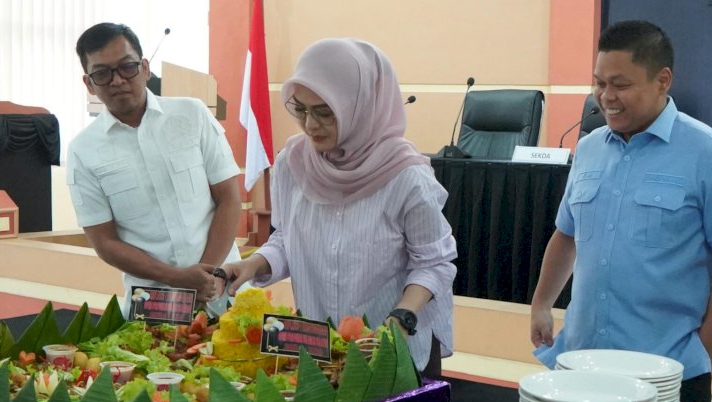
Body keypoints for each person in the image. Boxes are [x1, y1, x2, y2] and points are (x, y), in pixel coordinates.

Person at [529, 20, 712, 402]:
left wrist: (705, 350)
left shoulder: (708, 152)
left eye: (620, 85)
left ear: (662, 80)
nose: (606, 97)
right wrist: (541, 303)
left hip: (666, 370)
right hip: (581, 360)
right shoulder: (589, 148)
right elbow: (566, 234)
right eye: (599, 83)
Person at [221, 38, 456, 379]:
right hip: (321, 349)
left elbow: (434, 263)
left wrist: (401, 319)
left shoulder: (406, 177)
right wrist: (252, 265)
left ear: (360, 107)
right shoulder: (292, 164)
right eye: (301, 109)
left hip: (392, 350)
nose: (310, 125)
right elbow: (287, 238)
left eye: (324, 112)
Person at [66, 23, 241, 313]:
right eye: (102, 73)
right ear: (89, 83)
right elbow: (105, 242)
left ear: (145, 68)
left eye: (127, 67)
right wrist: (176, 278)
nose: (118, 80)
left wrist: (206, 274)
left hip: (224, 289)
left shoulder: (192, 114)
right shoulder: (83, 150)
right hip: (153, 305)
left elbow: (229, 199)